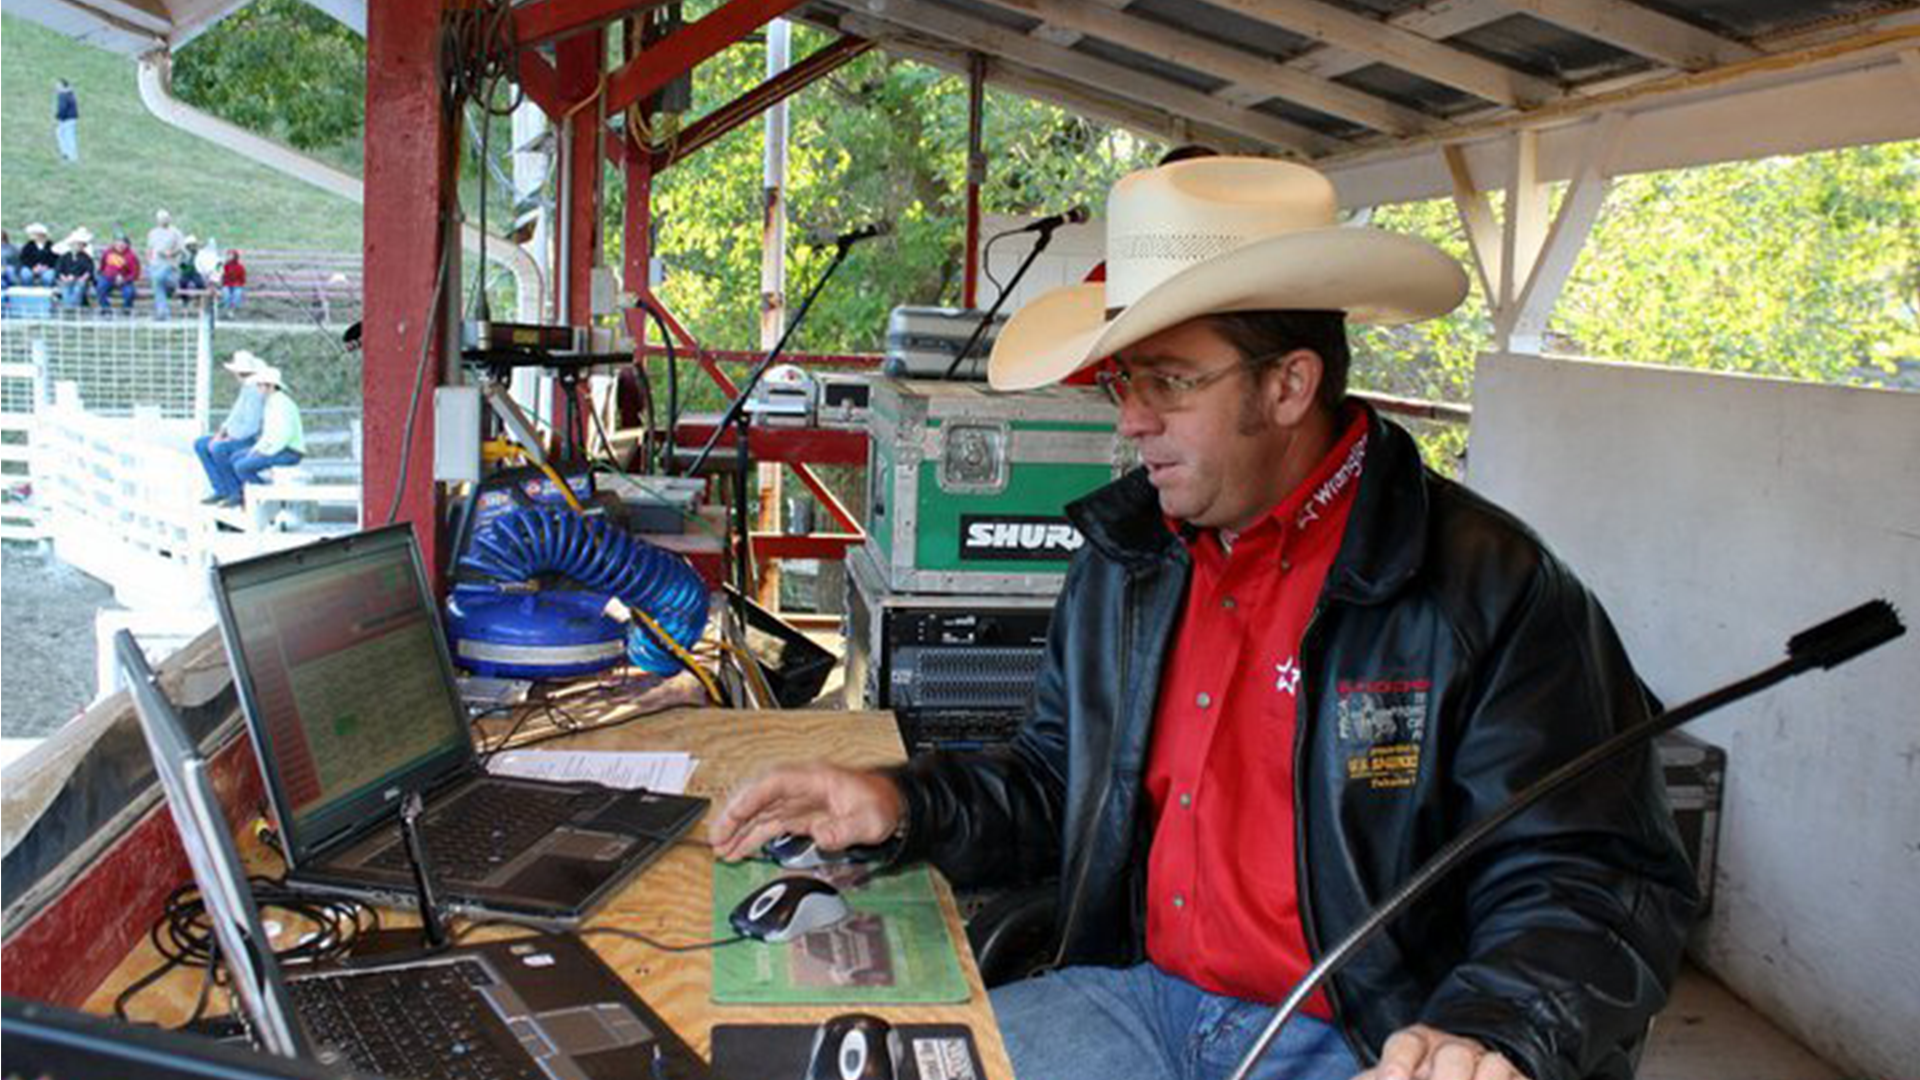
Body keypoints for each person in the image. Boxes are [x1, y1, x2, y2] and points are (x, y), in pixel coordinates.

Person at [710, 157, 1698, 1080]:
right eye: (1122, 379)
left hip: (1362, 1040)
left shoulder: (1488, 588)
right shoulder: (1126, 562)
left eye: (1170, 382)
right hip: (1139, 1003)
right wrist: (902, 804)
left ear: (1288, 385)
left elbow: (1595, 875)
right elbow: (1058, 787)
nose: (1131, 418)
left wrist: (1493, 1029)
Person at [220, 365, 304, 507]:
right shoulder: (272, 402)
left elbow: (284, 434)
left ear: (270, 386)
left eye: (260, 384)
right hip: (279, 448)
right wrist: (257, 448)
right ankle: (246, 495)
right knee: (236, 458)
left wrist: (265, 451)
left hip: (290, 451)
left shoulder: (282, 404)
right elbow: (269, 433)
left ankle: (267, 498)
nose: (258, 388)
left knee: (242, 466)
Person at [195, 350, 270, 505]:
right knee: (202, 444)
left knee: (219, 448)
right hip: (238, 436)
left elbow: (251, 426)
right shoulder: (247, 389)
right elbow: (234, 416)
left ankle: (236, 491)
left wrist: (228, 437)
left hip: (250, 440)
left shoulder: (255, 392)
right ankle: (222, 489)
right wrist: (222, 432)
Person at [147, 210, 185, 319]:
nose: (163, 220)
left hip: (169, 265)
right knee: (158, 283)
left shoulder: (176, 233)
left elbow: (181, 249)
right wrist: (149, 261)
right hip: (155, 265)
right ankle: (163, 313)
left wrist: (170, 253)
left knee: (157, 279)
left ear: (169, 219)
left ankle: (162, 312)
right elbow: (150, 249)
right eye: (161, 219)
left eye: (165, 218)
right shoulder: (153, 233)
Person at [95, 234, 141, 312]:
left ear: (127, 245)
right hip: (108, 278)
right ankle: (106, 309)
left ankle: (126, 310)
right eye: (118, 243)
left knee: (130, 292)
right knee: (100, 288)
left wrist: (125, 279)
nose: (120, 245)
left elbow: (135, 273)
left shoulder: (131, 256)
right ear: (114, 244)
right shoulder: (108, 252)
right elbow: (102, 266)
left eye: (123, 243)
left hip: (124, 279)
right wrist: (103, 274)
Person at [55, 230, 96, 308]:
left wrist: (79, 278)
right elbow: (58, 270)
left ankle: (72, 308)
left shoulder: (86, 257)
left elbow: (89, 271)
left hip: (80, 280)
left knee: (78, 288)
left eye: (81, 245)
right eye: (76, 244)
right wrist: (64, 278)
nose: (78, 246)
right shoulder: (64, 257)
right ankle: (69, 307)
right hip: (66, 279)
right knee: (66, 288)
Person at [53, 79, 80, 163]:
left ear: (62, 86)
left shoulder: (63, 95)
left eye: (58, 85)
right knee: (68, 137)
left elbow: (62, 108)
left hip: (66, 119)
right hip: (70, 119)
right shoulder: (70, 94)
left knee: (67, 137)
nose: (56, 87)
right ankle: (70, 156)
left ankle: (68, 156)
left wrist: (58, 117)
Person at [220, 249, 248, 314]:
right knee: (226, 293)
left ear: (235, 256)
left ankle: (232, 308)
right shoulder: (224, 266)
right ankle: (226, 307)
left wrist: (240, 284)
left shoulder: (240, 267)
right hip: (226, 284)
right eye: (228, 255)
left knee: (237, 293)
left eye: (231, 255)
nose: (229, 257)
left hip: (237, 285)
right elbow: (220, 274)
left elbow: (242, 278)